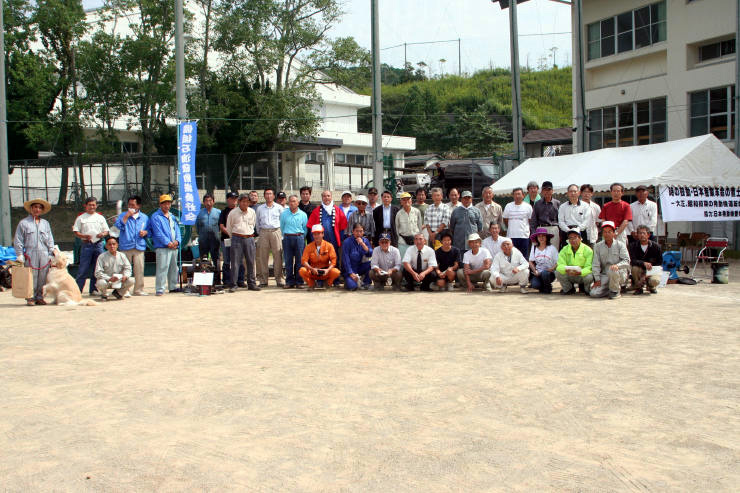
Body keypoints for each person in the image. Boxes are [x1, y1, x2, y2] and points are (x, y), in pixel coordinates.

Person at [14, 198, 55, 305]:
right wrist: (19, 254)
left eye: (39, 208)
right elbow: (18, 239)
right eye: (35, 207)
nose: (37, 209)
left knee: (43, 276)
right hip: (30, 253)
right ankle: (30, 297)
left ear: (42, 210)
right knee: (32, 276)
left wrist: (51, 252)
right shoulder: (23, 223)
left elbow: (50, 238)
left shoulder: (45, 223)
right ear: (31, 209)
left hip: (44, 253)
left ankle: (40, 297)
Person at [73, 196, 109, 295]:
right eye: (89, 205)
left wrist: (102, 234)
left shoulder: (100, 217)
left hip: (98, 244)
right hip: (86, 245)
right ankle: (78, 291)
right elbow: (76, 232)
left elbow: (106, 230)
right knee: (83, 269)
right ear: (85, 206)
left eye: (93, 205)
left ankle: (94, 290)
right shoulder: (81, 218)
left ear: (96, 206)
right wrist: (84, 236)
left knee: (97, 268)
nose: (92, 207)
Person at [147, 194, 181, 296]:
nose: (167, 206)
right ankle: (160, 288)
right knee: (162, 268)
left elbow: (177, 229)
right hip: (162, 247)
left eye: (169, 203)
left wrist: (177, 241)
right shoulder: (156, 217)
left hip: (174, 247)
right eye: (165, 203)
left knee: (174, 268)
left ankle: (173, 286)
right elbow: (158, 233)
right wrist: (168, 243)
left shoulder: (172, 216)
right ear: (160, 204)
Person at [115, 195, 149, 296]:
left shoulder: (144, 217)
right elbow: (118, 226)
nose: (130, 207)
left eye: (133, 205)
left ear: (138, 205)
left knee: (139, 269)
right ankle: (124, 290)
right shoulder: (123, 215)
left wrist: (145, 232)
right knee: (124, 269)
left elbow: (150, 231)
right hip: (126, 246)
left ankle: (138, 289)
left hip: (139, 246)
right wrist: (126, 216)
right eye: (129, 205)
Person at [226, 193, 260, 292]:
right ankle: (233, 284)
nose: (245, 203)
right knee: (235, 262)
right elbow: (229, 227)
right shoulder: (233, 213)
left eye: (247, 201)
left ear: (249, 202)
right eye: (243, 201)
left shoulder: (252, 212)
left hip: (249, 238)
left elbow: (253, 224)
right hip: (237, 238)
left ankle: (252, 283)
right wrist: (234, 237)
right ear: (239, 202)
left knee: (250, 262)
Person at [590, 221, 630, 299]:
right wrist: (597, 279)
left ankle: (615, 291)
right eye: (604, 232)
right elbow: (595, 264)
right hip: (605, 275)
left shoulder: (620, 245)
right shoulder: (598, 246)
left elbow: (626, 261)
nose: (607, 234)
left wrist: (617, 266)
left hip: (619, 273)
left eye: (609, 232)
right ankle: (610, 289)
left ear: (614, 233)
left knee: (612, 270)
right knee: (593, 293)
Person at [255, 187, 285, 287]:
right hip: (263, 232)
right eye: (266, 194)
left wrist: (280, 234)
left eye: (270, 194)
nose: (268, 196)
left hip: (276, 231)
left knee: (278, 256)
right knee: (263, 256)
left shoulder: (279, 208)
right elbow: (257, 222)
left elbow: (282, 221)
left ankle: (279, 279)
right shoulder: (260, 208)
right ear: (264, 196)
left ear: (273, 196)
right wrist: (260, 232)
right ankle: (263, 280)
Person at [299, 224, 341, 290]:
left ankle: (327, 283)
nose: (316, 236)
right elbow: (304, 261)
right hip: (313, 271)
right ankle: (312, 284)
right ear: (312, 235)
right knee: (302, 270)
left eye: (318, 234)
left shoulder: (329, 246)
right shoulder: (308, 247)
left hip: (325, 272)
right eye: (314, 234)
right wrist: (311, 269)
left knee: (336, 272)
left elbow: (333, 261)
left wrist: (327, 270)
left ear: (323, 234)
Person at [279, 194, 308, 289]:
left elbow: (305, 228)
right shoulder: (284, 214)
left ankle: (299, 281)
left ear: (298, 203)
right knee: (288, 260)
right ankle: (289, 281)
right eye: (290, 201)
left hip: (299, 237)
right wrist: (286, 235)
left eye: (294, 201)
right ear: (288, 202)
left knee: (300, 261)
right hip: (287, 238)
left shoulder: (303, 214)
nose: (292, 203)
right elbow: (282, 227)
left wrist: (301, 237)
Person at [555, 229, 594, 295]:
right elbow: (559, 265)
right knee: (558, 272)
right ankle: (569, 289)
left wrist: (581, 272)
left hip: (582, 275)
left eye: (575, 237)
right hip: (569, 274)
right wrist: (566, 269)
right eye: (570, 238)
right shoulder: (564, 249)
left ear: (580, 238)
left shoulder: (588, 250)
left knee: (589, 276)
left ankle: (587, 289)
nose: (573, 240)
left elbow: (589, 267)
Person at [94, 236, 134, 300]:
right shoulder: (101, 257)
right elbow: (97, 273)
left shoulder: (122, 255)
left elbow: (128, 268)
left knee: (131, 280)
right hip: (107, 281)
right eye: (109, 244)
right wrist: (109, 278)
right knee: (101, 283)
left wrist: (125, 276)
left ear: (117, 245)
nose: (112, 246)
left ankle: (118, 293)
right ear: (106, 246)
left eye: (114, 244)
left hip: (119, 280)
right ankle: (104, 294)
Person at [219, 192, 245, 288]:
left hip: (239, 239)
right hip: (226, 239)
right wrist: (231, 234)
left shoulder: (241, 211)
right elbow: (221, 226)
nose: (234, 200)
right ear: (227, 200)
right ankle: (226, 281)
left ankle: (240, 280)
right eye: (232, 198)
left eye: (235, 198)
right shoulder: (224, 212)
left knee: (239, 260)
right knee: (227, 260)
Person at [628, 224, 662, 295]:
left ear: (648, 235)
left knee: (655, 280)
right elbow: (632, 260)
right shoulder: (632, 246)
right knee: (634, 268)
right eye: (640, 233)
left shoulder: (656, 247)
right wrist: (643, 263)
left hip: (652, 269)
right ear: (637, 235)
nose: (642, 235)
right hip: (639, 268)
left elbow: (659, 263)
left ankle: (651, 287)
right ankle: (638, 288)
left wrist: (648, 273)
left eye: (644, 233)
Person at [195, 193, 221, 285]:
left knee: (216, 260)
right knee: (203, 260)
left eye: (210, 200)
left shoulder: (218, 212)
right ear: (203, 202)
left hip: (215, 239)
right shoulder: (200, 213)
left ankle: (217, 280)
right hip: (203, 240)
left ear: (213, 202)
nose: (208, 203)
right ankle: (204, 281)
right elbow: (197, 227)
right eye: (206, 201)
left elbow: (220, 225)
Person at [502, 187, 533, 260]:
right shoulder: (508, 206)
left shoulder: (528, 207)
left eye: (519, 194)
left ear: (523, 195)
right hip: (511, 236)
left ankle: (525, 270)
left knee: (524, 256)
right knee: (512, 256)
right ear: (513, 196)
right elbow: (506, 219)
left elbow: (530, 220)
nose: (517, 196)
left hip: (524, 236)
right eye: (515, 194)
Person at [342, 223, 373, 291]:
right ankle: (348, 281)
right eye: (357, 231)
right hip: (349, 270)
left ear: (363, 232)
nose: (359, 233)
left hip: (359, 267)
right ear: (353, 231)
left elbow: (370, 254)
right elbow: (345, 259)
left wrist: (363, 244)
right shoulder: (347, 242)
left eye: (361, 231)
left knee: (371, 263)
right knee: (353, 287)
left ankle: (366, 282)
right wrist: (350, 273)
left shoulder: (365, 240)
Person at [530, 180, 561, 248]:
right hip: (541, 229)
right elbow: (533, 221)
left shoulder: (557, 203)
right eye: (544, 189)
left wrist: (560, 234)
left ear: (552, 191)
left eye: (549, 189)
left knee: (554, 251)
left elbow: (560, 220)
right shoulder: (537, 204)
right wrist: (534, 233)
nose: (547, 191)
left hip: (554, 229)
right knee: (541, 251)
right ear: (542, 191)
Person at [528, 227, 558, 294]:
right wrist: (534, 271)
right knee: (535, 285)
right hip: (538, 273)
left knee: (545, 273)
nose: (541, 238)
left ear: (547, 237)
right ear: (537, 238)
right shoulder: (534, 248)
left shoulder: (552, 248)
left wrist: (552, 268)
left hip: (549, 273)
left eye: (543, 236)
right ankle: (543, 286)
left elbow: (558, 261)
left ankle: (548, 288)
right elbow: (530, 261)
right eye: (539, 236)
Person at [395, 191, 424, 257]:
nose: (406, 201)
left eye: (408, 199)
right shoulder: (398, 214)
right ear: (401, 202)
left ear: (411, 201)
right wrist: (398, 239)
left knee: (415, 259)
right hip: (403, 241)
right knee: (403, 260)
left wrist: (419, 239)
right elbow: (396, 228)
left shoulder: (417, 212)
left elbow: (419, 226)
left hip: (415, 240)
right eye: (404, 200)